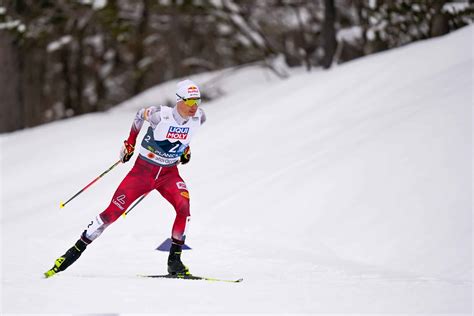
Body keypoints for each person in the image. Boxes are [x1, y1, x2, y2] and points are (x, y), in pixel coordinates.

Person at [44, 79, 206, 278]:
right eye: (189, 102)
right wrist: (130, 144)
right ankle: (70, 254)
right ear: (179, 100)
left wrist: (185, 150)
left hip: (169, 174)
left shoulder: (200, 117)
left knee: (184, 209)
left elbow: (186, 136)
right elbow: (139, 116)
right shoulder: (160, 115)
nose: (194, 106)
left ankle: (175, 262)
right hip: (143, 173)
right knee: (111, 214)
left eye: (197, 101)